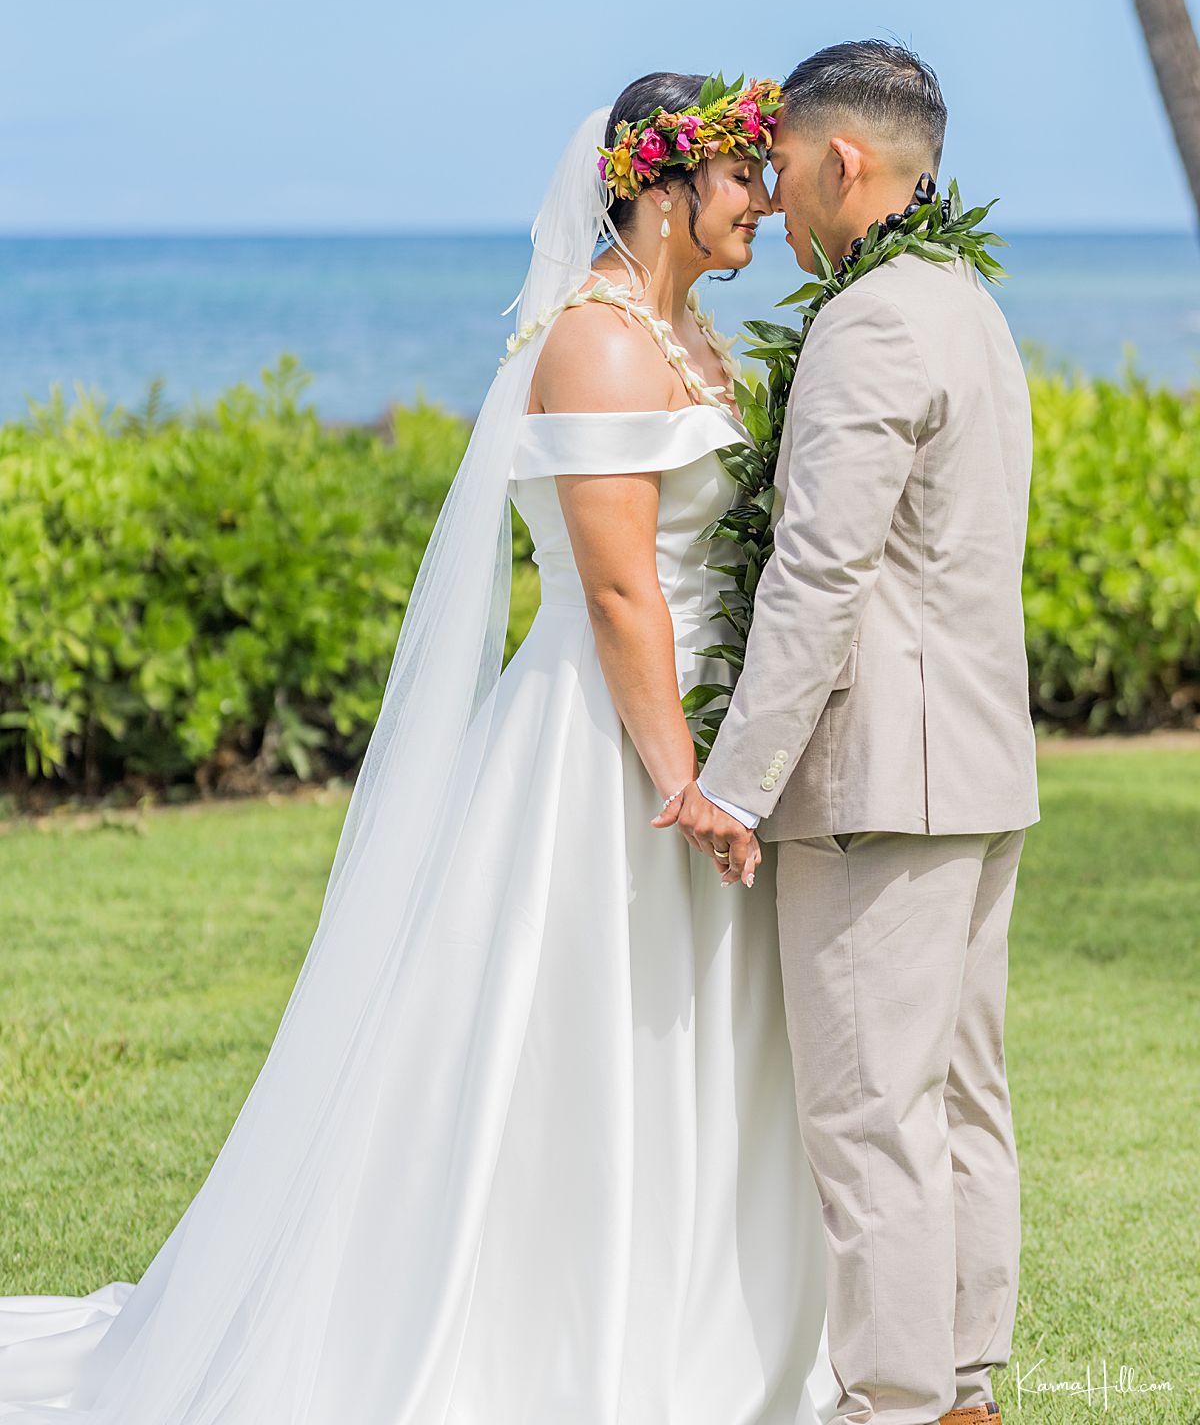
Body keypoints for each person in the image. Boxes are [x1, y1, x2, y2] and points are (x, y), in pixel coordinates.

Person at [0, 75, 837, 1424]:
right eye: (741, 174)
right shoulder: (600, 346)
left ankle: (704, 1316)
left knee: (697, 1037)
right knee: (575, 1038)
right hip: (607, 746)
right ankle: (556, 1337)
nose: (764, 197)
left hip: (701, 731)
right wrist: (681, 777)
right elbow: (622, 594)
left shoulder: (697, 347)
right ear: (664, 185)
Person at [656, 41, 1039, 1425]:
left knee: (871, 1116)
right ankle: (963, 1393)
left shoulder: (869, 322)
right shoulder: (971, 304)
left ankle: (894, 1401)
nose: (777, 201)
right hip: (983, 769)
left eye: (785, 172)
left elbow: (818, 576)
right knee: (957, 1104)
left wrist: (735, 784)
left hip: (883, 783)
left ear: (845, 164)